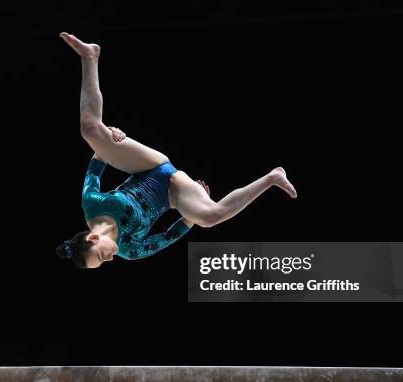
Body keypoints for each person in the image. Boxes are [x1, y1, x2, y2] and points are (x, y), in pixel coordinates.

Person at [55, 33, 297, 269]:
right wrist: (191, 214)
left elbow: (96, 167)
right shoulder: (130, 251)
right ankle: (273, 177)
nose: (109, 260)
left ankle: (89, 56)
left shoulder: (92, 204)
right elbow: (168, 236)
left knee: (89, 130)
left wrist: (109, 137)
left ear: (93, 239)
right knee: (210, 217)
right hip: (174, 193)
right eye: (103, 263)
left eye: (100, 257)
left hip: (146, 168)